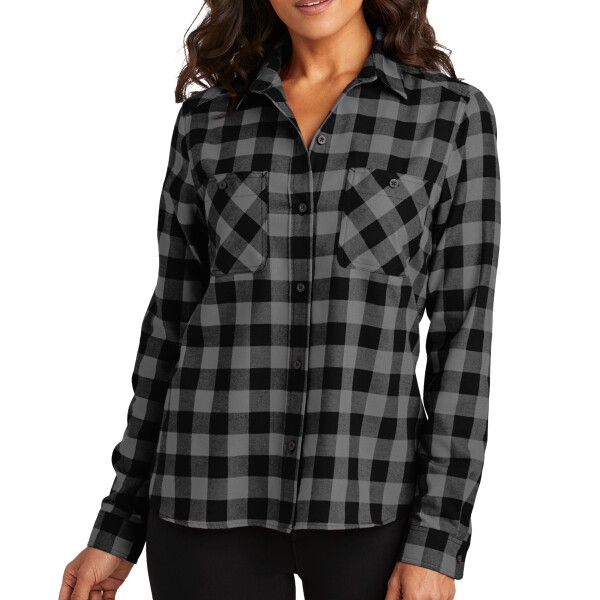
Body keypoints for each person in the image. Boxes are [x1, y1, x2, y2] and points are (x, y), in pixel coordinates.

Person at [59, 1, 501, 599]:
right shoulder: (207, 121)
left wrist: (437, 541)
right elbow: (169, 327)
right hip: (204, 498)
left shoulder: (449, 116)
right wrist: (118, 524)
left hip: (370, 503)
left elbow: (463, 342)